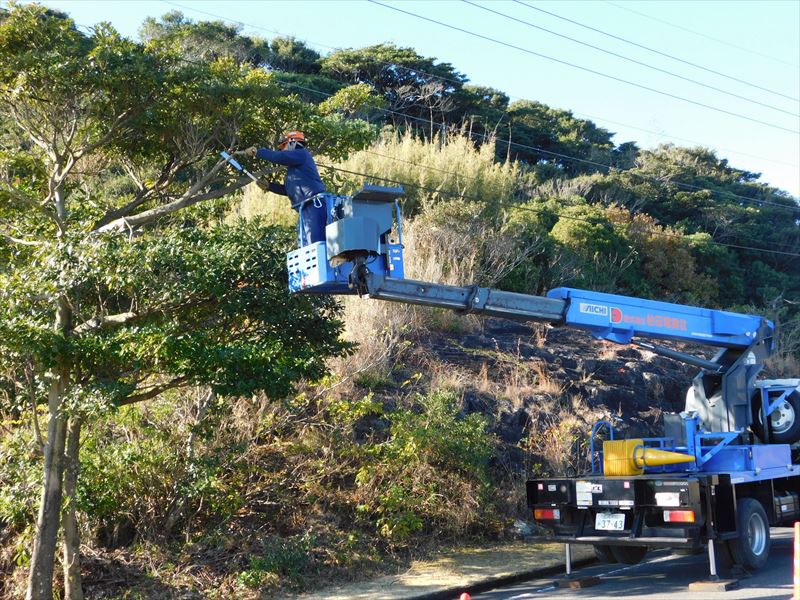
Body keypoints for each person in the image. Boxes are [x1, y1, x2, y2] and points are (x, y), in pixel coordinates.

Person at [239, 131, 328, 245]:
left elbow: (280, 156)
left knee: (316, 244)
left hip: (314, 204)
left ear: (292, 143)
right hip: (304, 208)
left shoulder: (301, 154)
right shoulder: (295, 170)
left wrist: (258, 152)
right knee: (306, 245)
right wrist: (270, 186)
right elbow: (289, 190)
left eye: (283, 146)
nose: (282, 150)